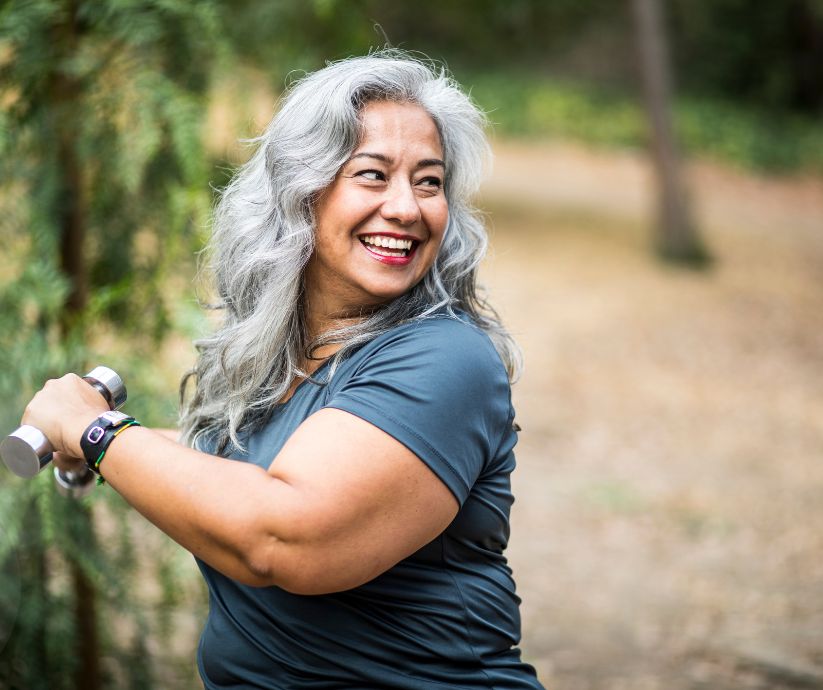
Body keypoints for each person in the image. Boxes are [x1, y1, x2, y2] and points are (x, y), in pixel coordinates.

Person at [22, 51, 545, 689]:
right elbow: (242, 464)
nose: (407, 207)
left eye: (429, 182)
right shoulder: (289, 354)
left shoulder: (445, 358)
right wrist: (97, 441)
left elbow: (284, 537)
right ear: (302, 191)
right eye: (373, 175)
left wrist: (98, 436)